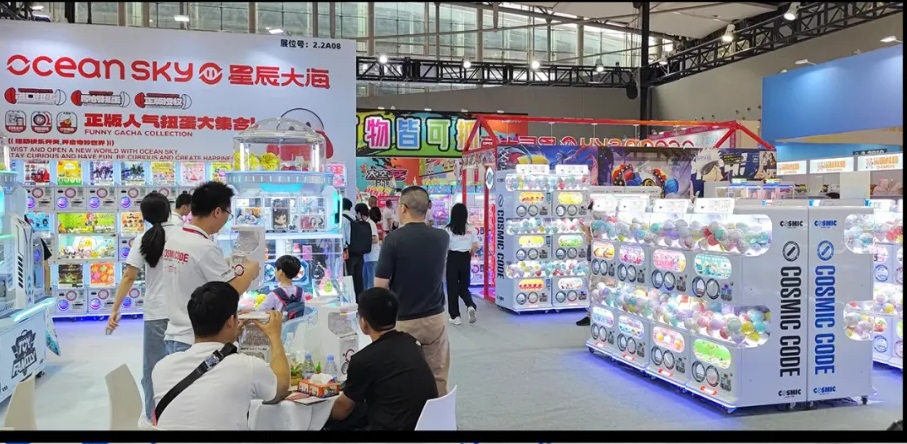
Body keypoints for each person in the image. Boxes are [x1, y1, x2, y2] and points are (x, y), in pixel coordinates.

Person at [152, 282, 290, 430]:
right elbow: (281, 388)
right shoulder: (247, 367)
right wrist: (275, 337)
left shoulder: (162, 367)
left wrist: (228, 338)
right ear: (230, 321)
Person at [160, 181, 260, 354]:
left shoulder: (175, 238)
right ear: (217, 212)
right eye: (228, 213)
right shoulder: (204, 247)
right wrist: (251, 271)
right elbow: (230, 290)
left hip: (174, 333)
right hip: (194, 338)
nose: (226, 219)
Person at [106, 192, 179, 422]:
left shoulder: (144, 239)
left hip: (156, 312)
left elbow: (129, 276)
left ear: (144, 216)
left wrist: (115, 309)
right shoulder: (184, 235)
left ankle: (153, 418)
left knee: (152, 371)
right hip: (184, 313)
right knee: (183, 368)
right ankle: (180, 418)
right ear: (169, 210)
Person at [374, 186, 451, 396]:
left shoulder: (393, 239)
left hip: (403, 319)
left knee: (402, 375)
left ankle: (409, 413)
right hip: (435, 317)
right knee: (437, 374)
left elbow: (380, 285)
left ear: (403, 208)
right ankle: (438, 413)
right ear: (428, 208)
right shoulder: (442, 237)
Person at [325, 288, 438, 431]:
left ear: (363, 322)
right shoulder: (412, 342)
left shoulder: (364, 359)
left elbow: (341, 411)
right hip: (426, 423)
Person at [444, 203, 478, 325]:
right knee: (463, 286)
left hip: (453, 257)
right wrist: (470, 254)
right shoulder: (471, 229)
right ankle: (470, 305)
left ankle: (455, 316)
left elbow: (446, 247)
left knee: (452, 287)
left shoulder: (448, 229)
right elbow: (475, 246)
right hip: (465, 258)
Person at [258, 255, 307, 319]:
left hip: (281, 324)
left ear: (280, 271)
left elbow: (261, 310)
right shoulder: (300, 291)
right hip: (297, 324)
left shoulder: (274, 294)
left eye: (275, 269)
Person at [343, 200, 371, 299]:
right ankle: (360, 299)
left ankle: (351, 298)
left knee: (349, 277)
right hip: (360, 252)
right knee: (358, 277)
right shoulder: (355, 218)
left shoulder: (343, 219)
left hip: (349, 252)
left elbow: (344, 238)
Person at [577, 200, 595, 327]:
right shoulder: (592, 214)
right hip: (595, 253)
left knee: (593, 283)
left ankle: (592, 314)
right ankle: (591, 314)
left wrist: (586, 232)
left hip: (595, 252)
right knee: (592, 283)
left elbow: (588, 237)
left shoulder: (591, 215)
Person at [363, 206, 383, 289]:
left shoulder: (370, 224)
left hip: (372, 256)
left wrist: (363, 243)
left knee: (371, 283)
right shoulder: (368, 223)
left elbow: (375, 239)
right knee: (367, 281)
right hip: (368, 257)